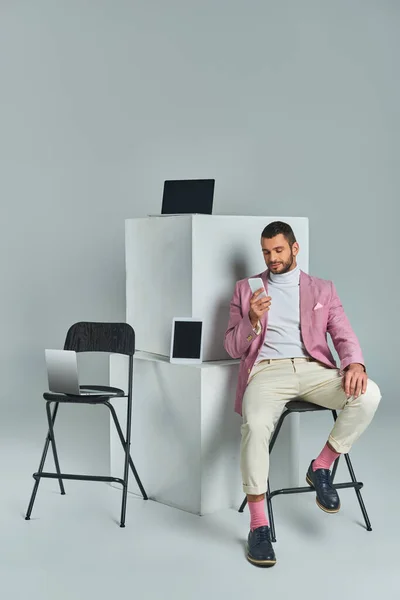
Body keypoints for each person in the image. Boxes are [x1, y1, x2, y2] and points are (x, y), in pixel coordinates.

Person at [224, 221, 381, 568]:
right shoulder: (245, 289)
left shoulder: (322, 289)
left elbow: (342, 333)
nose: (272, 258)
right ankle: (258, 526)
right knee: (256, 425)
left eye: (278, 250)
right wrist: (251, 320)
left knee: (369, 394)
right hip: (267, 371)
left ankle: (321, 466)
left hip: (314, 369)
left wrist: (355, 364)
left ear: (294, 248)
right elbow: (232, 347)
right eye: (266, 252)